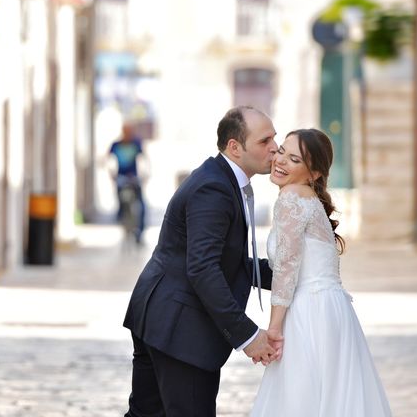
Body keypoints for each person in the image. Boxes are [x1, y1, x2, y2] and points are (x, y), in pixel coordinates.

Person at [123, 106, 281, 417]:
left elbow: (227, 261)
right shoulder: (214, 188)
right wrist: (247, 335)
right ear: (235, 148)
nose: (275, 147)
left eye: (274, 138)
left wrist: (286, 274)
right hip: (179, 327)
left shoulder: (220, 178)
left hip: (159, 315)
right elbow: (203, 268)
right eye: (265, 141)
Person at [250, 128, 392, 416]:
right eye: (281, 152)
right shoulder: (308, 199)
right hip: (332, 311)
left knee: (301, 398)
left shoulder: (290, 197)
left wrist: (274, 330)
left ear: (313, 173)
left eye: (294, 159)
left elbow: (287, 269)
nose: (281, 161)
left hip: (308, 313)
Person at [108, 123, 149, 244]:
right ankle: (121, 217)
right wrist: (111, 174)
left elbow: (145, 159)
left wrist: (145, 174)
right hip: (120, 177)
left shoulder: (136, 143)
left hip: (134, 178)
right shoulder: (116, 145)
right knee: (119, 199)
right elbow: (108, 159)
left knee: (141, 205)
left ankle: (140, 232)